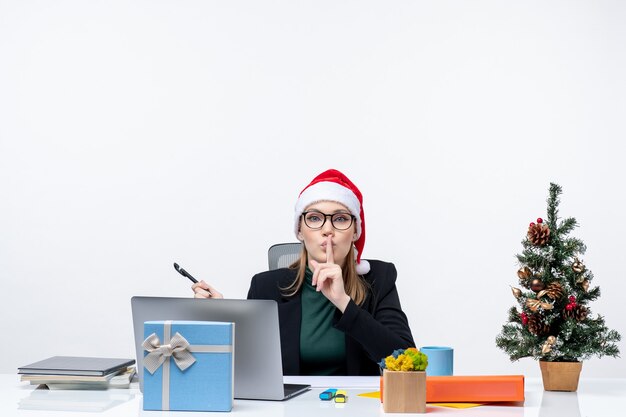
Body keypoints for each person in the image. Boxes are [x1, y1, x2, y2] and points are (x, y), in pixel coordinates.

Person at [192, 169, 415, 375]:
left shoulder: (379, 278)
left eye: (340, 219)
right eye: (315, 218)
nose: (327, 230)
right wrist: (220, 318)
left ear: (355, 231)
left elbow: (408, 361)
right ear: (300, 230)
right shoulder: (265, 287)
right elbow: (249, 366)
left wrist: (344, 303)